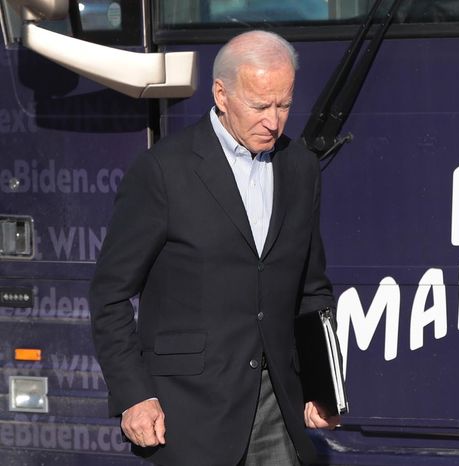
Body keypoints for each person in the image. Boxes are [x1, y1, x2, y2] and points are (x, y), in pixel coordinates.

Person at [89, 30, 340, 466]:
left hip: (277, 407)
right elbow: (109, 294)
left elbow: (312, 289)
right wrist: (134, 395)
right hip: (188, 413)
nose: (274, 121)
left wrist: (324, 386)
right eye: (261, 105)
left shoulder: (300, 167)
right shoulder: (164, 171)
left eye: (284, 104)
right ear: (221, 94)